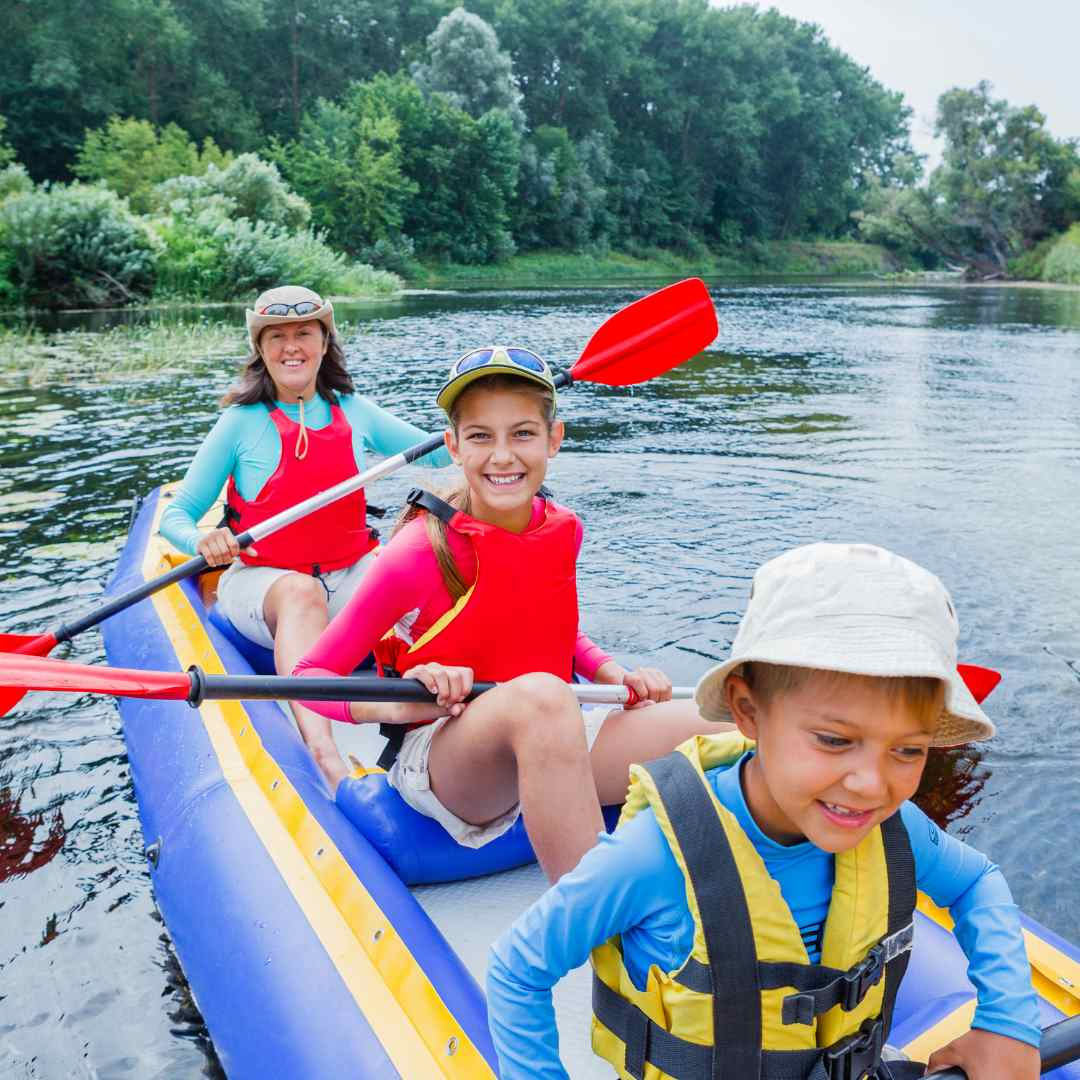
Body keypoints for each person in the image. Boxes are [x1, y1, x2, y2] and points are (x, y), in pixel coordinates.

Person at [486, 542, 1042, 1080]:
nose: (871, 785)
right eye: (832, 739)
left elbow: (978, 882)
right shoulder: (654, 855)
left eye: (908, 749)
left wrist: (1008, 1023)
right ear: (748, 712)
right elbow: (518, 969)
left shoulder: (892, 830)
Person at [293, 346, 722, 882]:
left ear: (554, 440)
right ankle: (604, 938)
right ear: (453, 445)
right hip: (448, 759)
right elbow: (308, 679)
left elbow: (554, 629)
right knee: (544, 695)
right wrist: (399, 706)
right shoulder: (419, 551)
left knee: (725, 720)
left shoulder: (562, 527)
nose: (502, 456)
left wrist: (612, 673)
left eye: (522, 434)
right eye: (480, 436)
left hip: (553, 726)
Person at [159, 285, 450, 789]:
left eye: (303, 334)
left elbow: (442, 455)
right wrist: (202, 543)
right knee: (302, 591)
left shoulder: (355, 410)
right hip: (266, 583)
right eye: (277, 337)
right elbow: (178, 515)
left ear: (323, 343)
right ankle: (324, 755)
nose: (291, 346)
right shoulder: (238, 423)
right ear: (261, 350)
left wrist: (482, 428)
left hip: (351, 573)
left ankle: (450, 716)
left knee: (422, 578)